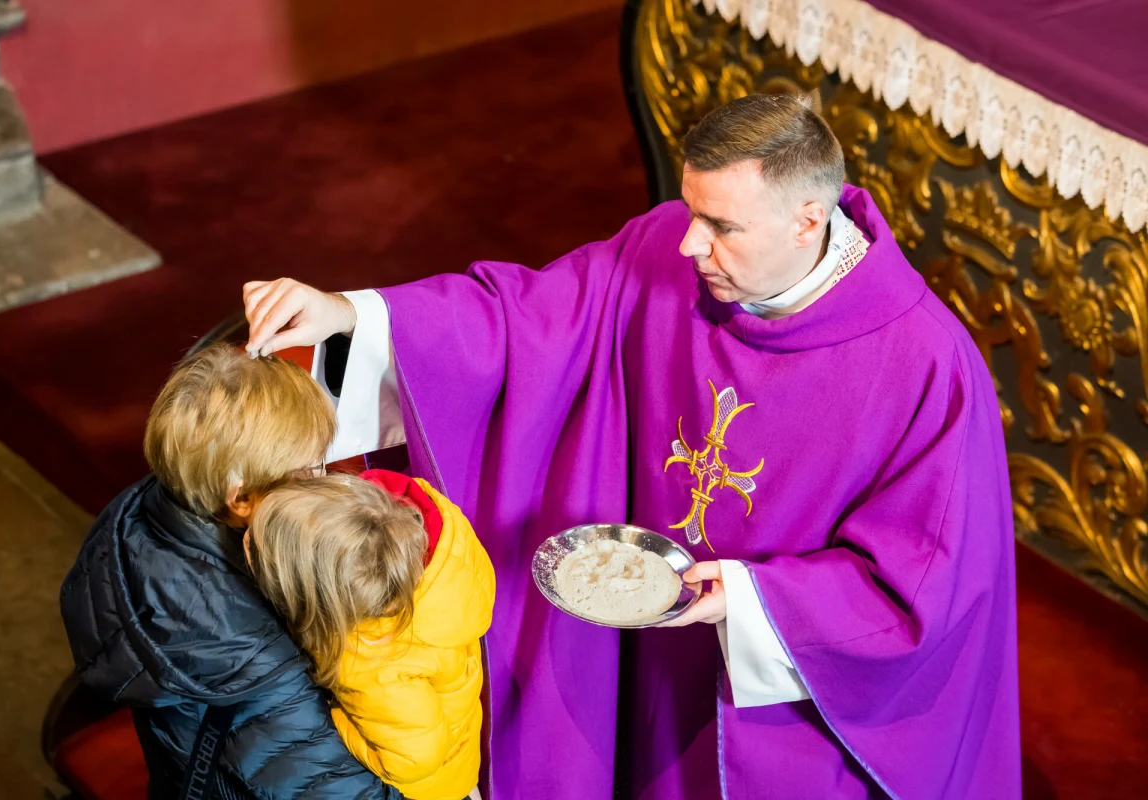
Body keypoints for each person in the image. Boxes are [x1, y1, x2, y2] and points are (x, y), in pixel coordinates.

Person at [243, 92, 1021, 799]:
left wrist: (750, 600)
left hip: (776, 690)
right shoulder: (663, 252)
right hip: (640, 658)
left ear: (807, 221)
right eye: (690, 211)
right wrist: (353, 316)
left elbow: (928, 585)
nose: (690, 245)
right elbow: (525, 319)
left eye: (721, 227)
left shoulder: (925, 366)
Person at [59, 344, 403, 800]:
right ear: (240, 499)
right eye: (308, 470)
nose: (323, 480)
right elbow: (338, 787)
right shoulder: (255, 659)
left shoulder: (151, 508)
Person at [246, 470, 494, 800]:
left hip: (426, 788)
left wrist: (335, 720)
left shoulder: (368, 662)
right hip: (456, 755)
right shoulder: (437, 576)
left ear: (320, 601)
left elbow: (415, 758)